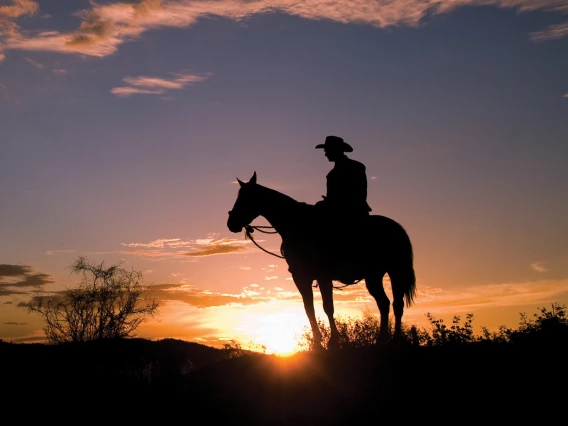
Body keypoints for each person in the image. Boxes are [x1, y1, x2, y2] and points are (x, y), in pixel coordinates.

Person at [313, 135, 372, 275]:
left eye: (327, 150)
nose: (325, 153)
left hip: (352, 210)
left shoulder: (355, 167)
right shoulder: (332, 173)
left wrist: (331, 203)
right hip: (337, 208)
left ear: (336, 150)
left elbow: (359, 192)